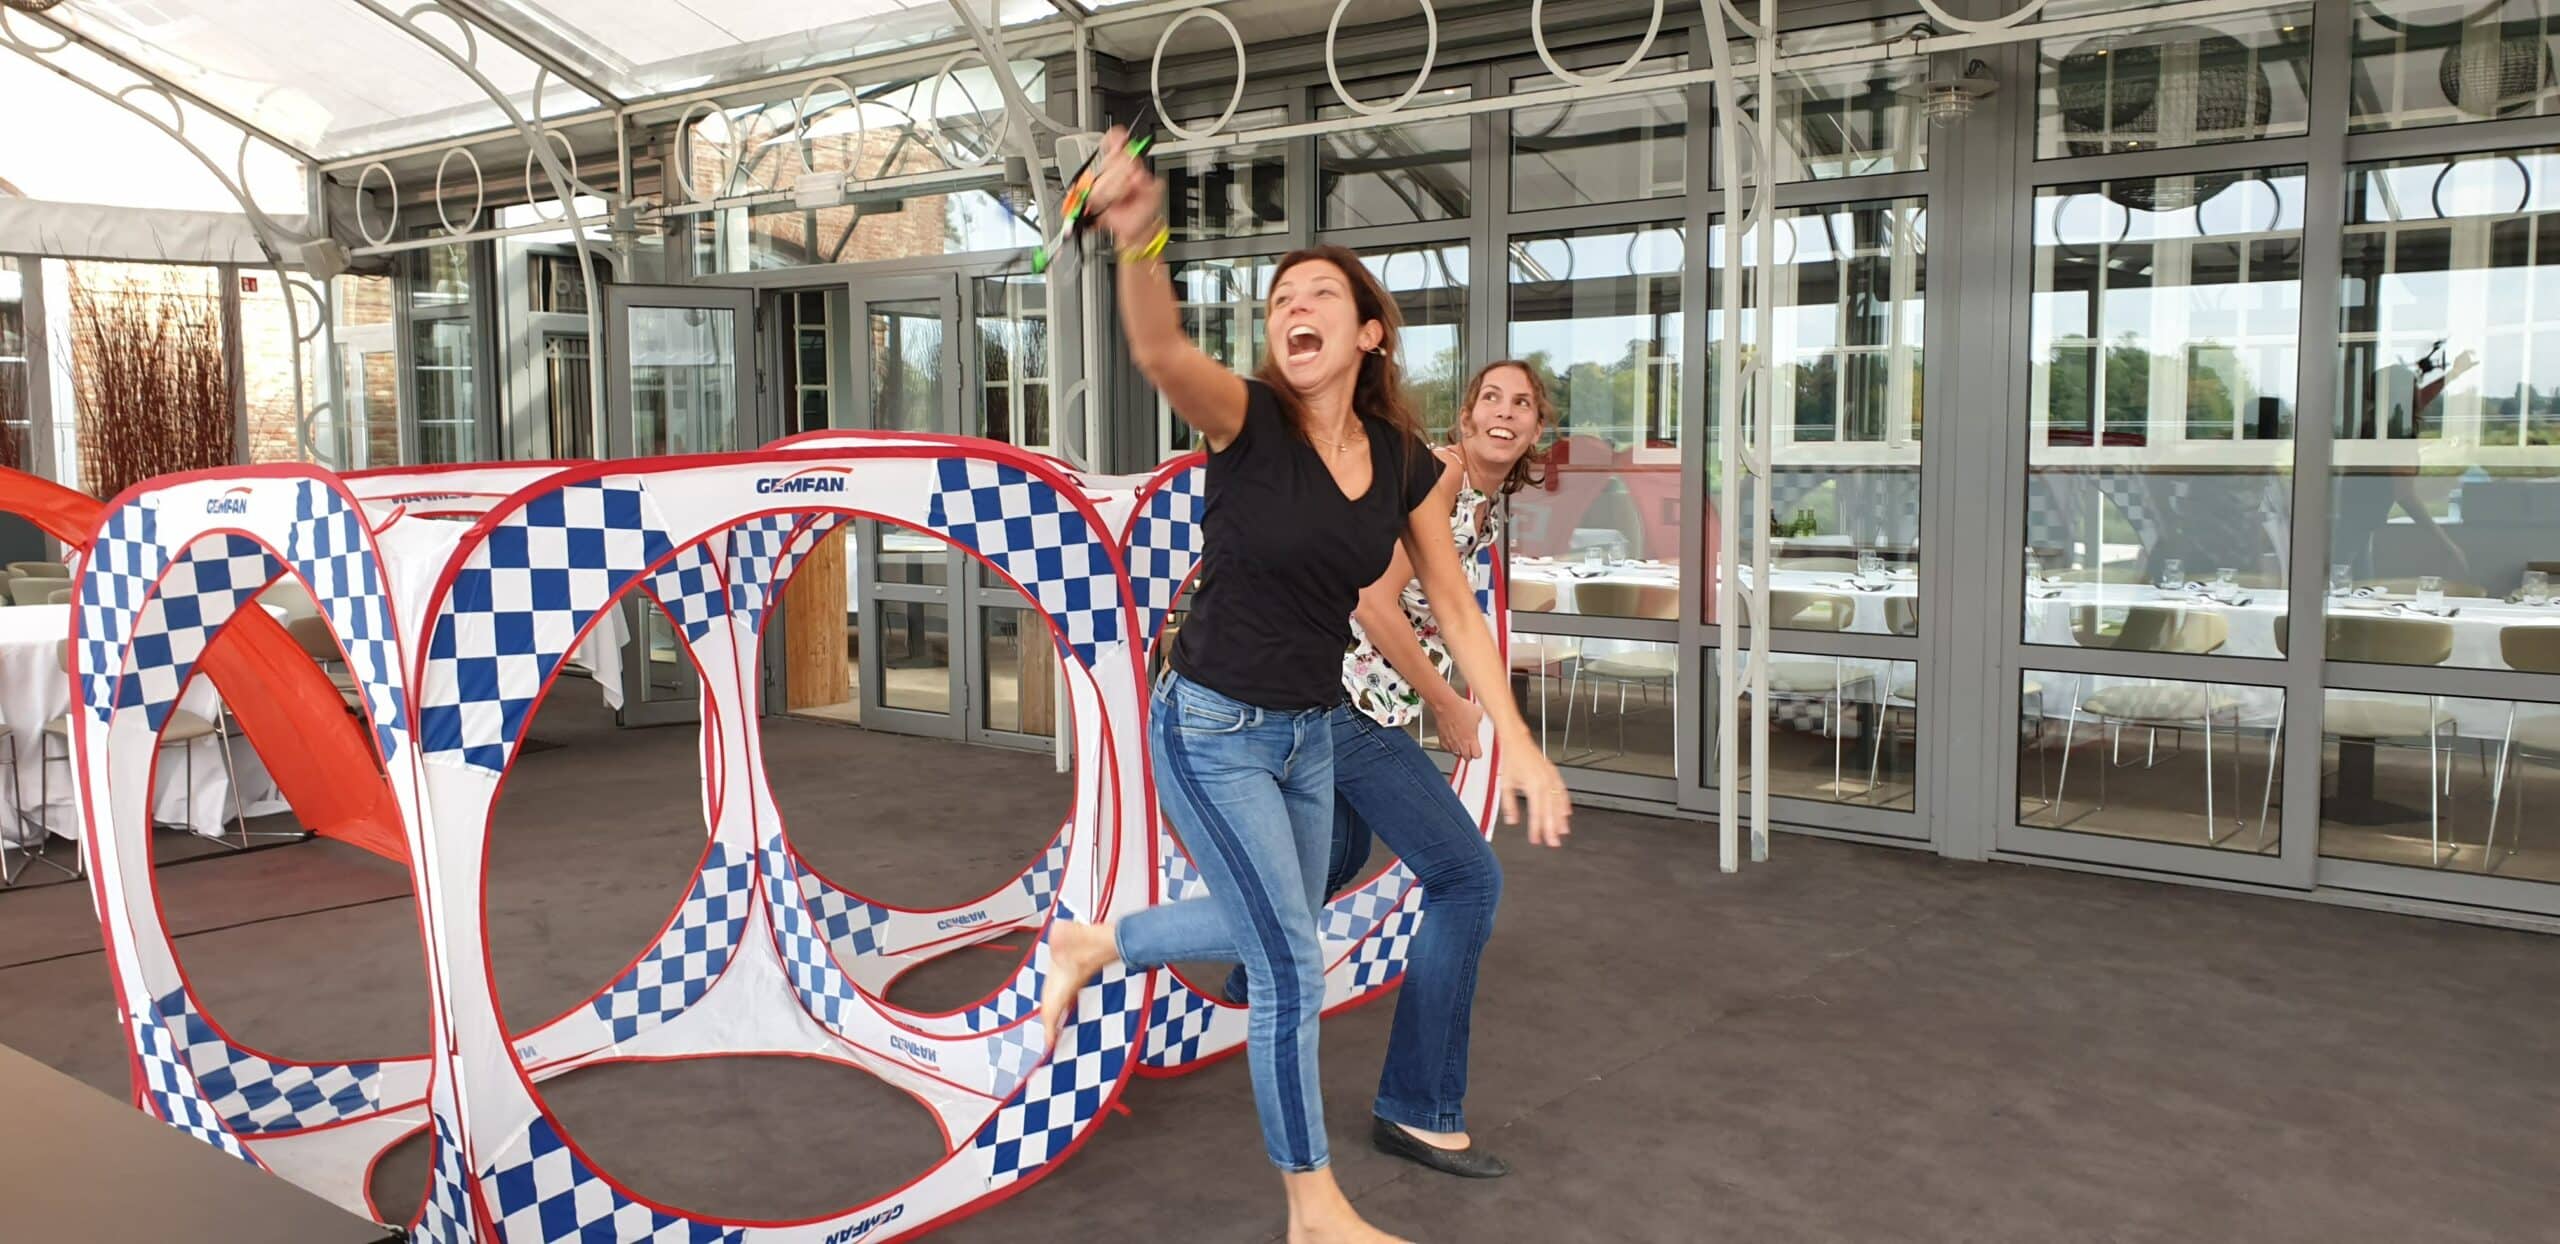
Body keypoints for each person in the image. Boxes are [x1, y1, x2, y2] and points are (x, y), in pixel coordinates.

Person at [1037, 130, 1571, 1244]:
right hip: (1209, 724)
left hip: (1310, 734)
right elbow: (1159, 350)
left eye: (1320, 292)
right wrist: (1140, 238)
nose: (1295, 305)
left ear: (1367, 331)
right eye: (1283, 296)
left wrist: (1515, 737)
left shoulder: (1402, 460)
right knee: (1287, 958)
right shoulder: (1247, 420)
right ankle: (1312, 1204)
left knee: (1275, 921)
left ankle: (1096, 943)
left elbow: (1455, 609)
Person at [1218, 360, 1558, 1182]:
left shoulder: (1479, 501)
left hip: (1340, 697)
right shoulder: (1440, 478)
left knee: (1332, 854)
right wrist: (1447, 702)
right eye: (1490, 398)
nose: (1505, 412)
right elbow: (1371, 601)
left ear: (1536, 430)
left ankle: (1243, 972)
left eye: (1522, 403)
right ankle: (1417, 1108)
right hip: (1343, 701)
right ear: (1466, 416)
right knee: (1466, 880)